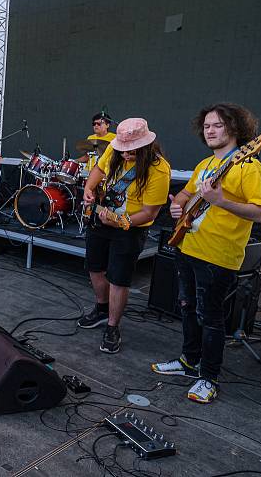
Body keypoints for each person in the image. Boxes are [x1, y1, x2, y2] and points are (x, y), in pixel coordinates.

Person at [151, 103, 261, 404]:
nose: (211, 130)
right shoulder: (205, 164)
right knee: (188, 308)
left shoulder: (249, 167)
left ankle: (209, 377)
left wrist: (221, 200)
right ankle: (189, 362)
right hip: (188, 247)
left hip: (218, 257)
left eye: (218, 125)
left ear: (235, 128)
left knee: (211, 317)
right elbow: (185, 194)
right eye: (206, 126)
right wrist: (177, 205)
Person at [79, 118, 171, 353]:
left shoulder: (159, 169)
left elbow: (150, 212)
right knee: (94, 267)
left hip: (130, 227)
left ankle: (112, 326)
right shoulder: (114, 148)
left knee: (119, 278)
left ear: (145, 146)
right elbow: (99, 169)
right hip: (101, 218)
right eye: (123, 149)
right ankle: (101, 309)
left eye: (132, 151)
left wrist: (122, 222)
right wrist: (89, 189)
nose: (126, 154)